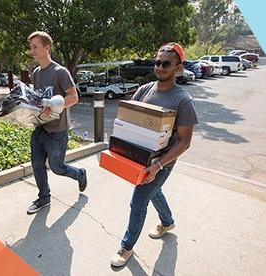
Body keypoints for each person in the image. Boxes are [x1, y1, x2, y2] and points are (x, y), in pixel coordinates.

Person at [110, 43, 198, 267]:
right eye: (157, 62)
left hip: (162, 162)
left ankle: (126, 247)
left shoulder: (183, 100)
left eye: (166, 63)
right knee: (154, 191)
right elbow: (131, 119)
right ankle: (167, 222)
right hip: (139, 156)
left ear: (178, 68)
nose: (160, 67)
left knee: (138, 201)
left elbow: (185, 141)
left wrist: (158, 165)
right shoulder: (144, 89)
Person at [26, 31, 87, 214]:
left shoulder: (60, 72)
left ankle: (80, 174)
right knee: (37, 165)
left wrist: (53, 107)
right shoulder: (36, 73)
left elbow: (74, 97)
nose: (32, 51)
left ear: (47, 47)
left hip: (57, 132)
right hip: (40, 128)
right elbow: (39, 99)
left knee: (58, 168)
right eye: (31, 47)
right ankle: (44, 197)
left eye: (35, 46)